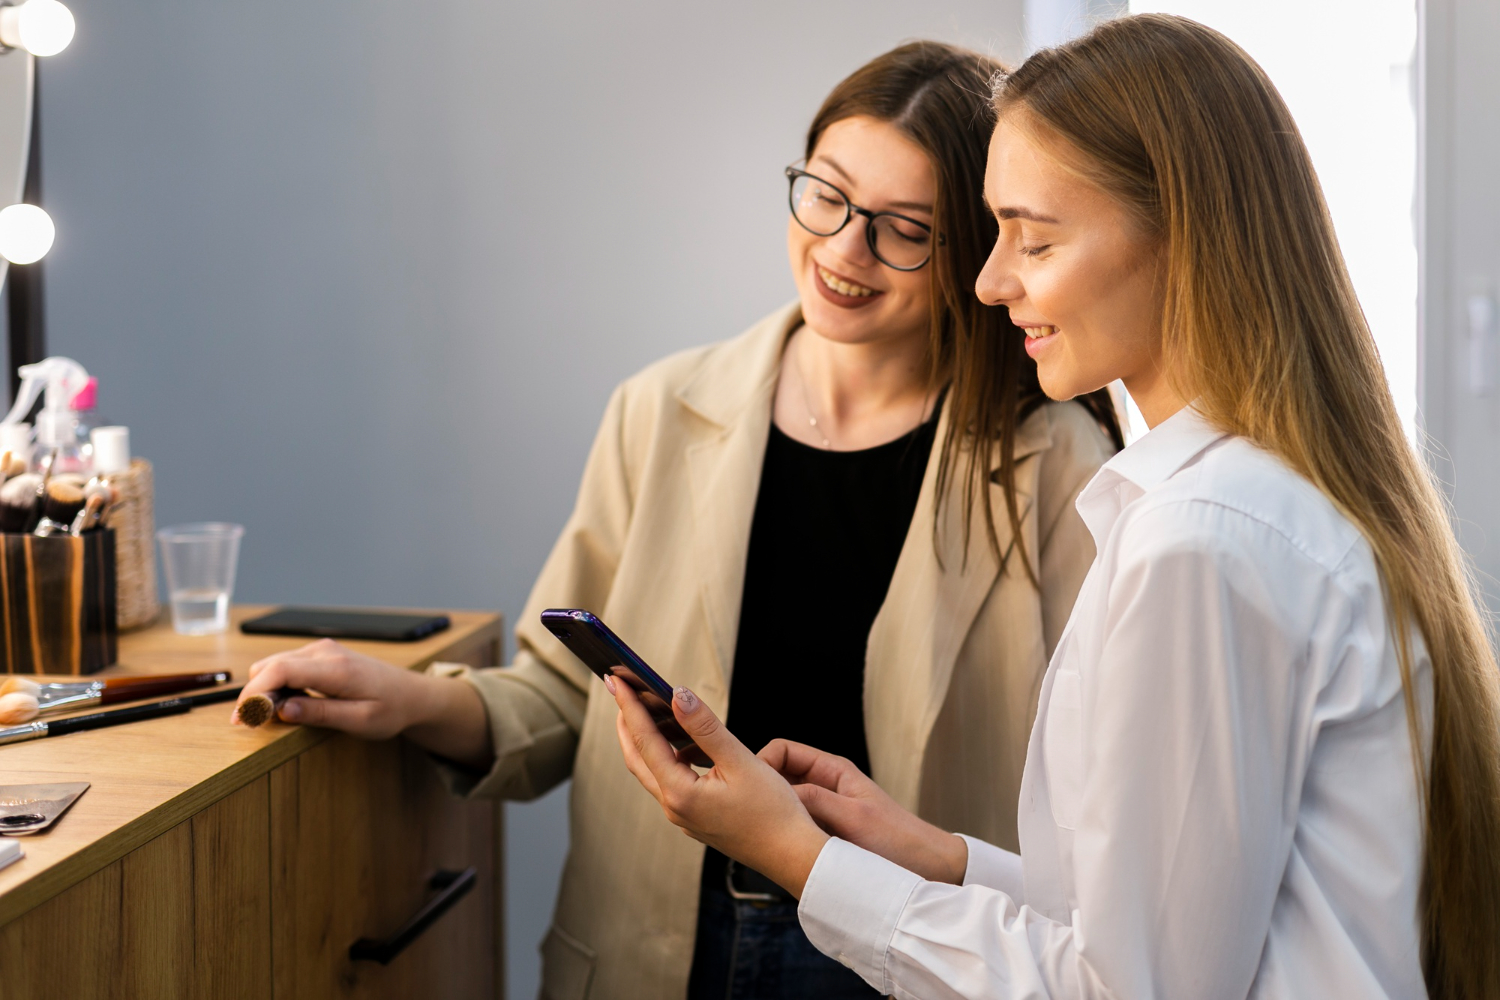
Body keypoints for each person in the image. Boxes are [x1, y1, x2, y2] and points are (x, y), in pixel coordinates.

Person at [609, 14, 1500, 1000]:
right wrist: (943, 855)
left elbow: (1123, 989)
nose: (988, 281)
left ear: (1184, 240)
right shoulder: (1237, 505)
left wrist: (796, 856)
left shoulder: (1202, 544)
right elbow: (1166, 918)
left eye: (1030, 237)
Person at [233, 41, 1121, 1000]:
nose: (843, 251)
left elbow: (1096, 800)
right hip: (655, 946)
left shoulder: (1058, 466)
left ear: (972, 251)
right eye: (825, 194)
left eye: (903, 229)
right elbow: (565, 697)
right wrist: (412, 699)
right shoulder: (660, 409)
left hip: (902, 952)